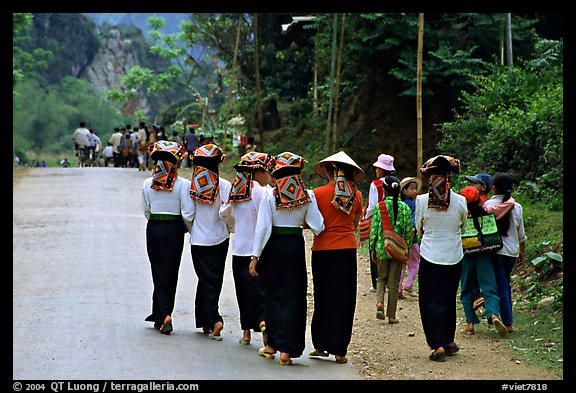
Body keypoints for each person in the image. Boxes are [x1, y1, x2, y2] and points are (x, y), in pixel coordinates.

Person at [249, 152, 324, 366]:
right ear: (298, 172)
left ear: (276, 173)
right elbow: (318, 227)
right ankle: (287, 351)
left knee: (273, 294)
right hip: (294, 246)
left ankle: (272, 345)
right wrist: (303, 222)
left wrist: (255, 257)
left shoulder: (269, 196)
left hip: (274, 248)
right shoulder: (308, 195)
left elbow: (263, 228)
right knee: (294, 296)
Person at [308, 151, 364, 364]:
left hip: (322, 250)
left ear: (330, 171)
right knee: (345, 298)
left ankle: (321, 345)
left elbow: (312, 223)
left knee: (323, 297)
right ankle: (340, 350)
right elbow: (355, 224)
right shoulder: (357, 196)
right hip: (347, 250)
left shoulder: (318, 193)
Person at [219, 152, 276, 346]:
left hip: (238, 248)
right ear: (257, 171)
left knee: (242, 291)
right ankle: (262, 322)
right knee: (260, 289)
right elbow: (266, 219)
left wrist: (231, 206)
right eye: (265, 171)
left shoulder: (236, 190)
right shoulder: (261, 192)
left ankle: (246, 333)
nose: (267, 175)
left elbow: (223, 213)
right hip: (257, 249)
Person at [415, 155, 467, 362]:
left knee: (429, 300)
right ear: (449, 178)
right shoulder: (461, 201)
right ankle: (448, 340)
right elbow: (463, 227)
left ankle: (437, 345)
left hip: (429, 254)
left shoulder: (421, 201)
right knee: (448, 298)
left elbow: (419, 227)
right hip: (454, 255)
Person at [141, 140, 191, 335]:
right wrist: (185, 229)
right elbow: (187, 214)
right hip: (174, 230)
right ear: (175, 164)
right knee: (171, 272)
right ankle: (164, 313)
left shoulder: (146, 184)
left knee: (158, 271)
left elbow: (146, 211)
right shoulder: (183, 185)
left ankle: (162, 314)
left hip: (154, 228)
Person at [186, 143, 233, 340]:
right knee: (214, 279)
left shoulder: (191, 186)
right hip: (220, 239)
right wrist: (230, 229)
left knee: (205, 280)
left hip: (199, 240)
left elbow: (188, 215)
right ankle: (206, 321)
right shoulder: (225, 185)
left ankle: (214, 319)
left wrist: (193, 231)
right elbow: (230, 213)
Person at [458, 186, 509, 338]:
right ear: (479, 199)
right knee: (489, 287)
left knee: (466, 289)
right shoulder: (485, 215)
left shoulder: (462, 218)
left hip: (467, 257)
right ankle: (493, 314)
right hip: (484, 256)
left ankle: (470, 323)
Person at [483, 173, 527, 335]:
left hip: (495, 250)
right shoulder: (518, 207)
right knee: (505, 283)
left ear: (493, 188)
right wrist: (522, 251)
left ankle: (506, 322)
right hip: (512, 252)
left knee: (499, 284)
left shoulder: (488, 205)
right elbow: (521, 233)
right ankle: (503, 317)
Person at [370, 176, 413, 324]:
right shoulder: (405, 208)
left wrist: (372, 247)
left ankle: (380, 302)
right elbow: (409, 231)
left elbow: (374, 229)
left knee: (381, 278)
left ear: (384, 190)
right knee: (394, 284)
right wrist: (406, 249)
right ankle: (392, 316)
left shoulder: (379, 207)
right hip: (398, 251)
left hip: (382, 248)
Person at [364, 154, 396, 292]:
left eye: (377, 168)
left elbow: (371, 206)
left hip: (378, 219)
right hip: (393, 220)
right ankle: (391, 281)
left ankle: (376, 282)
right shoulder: (396, 182)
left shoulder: (375, 184)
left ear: (382, 170)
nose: (376, 170)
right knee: (391, 247)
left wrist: (365, 217)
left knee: (375, 249)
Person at [464, 172, 493, 311]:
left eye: (474, 183)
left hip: (469, 248)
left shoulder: (483, 203)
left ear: (483, 187)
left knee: (469, 279)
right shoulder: (488, 204)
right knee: (488, 281)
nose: (471, 185)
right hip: (485, 247)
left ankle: (471, 318)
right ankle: (492, 312)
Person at [398, 176, 422, 299]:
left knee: (401, 263)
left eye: (415, 188)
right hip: (411, 239)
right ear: (404, 191)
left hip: (399, 239)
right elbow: (414, 221)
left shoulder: (399, 205)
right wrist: (413, 233)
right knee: (415, 261)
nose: (415, 191)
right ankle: (409, 284)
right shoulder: (412, 204)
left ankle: (398, 287)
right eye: (412, 189)